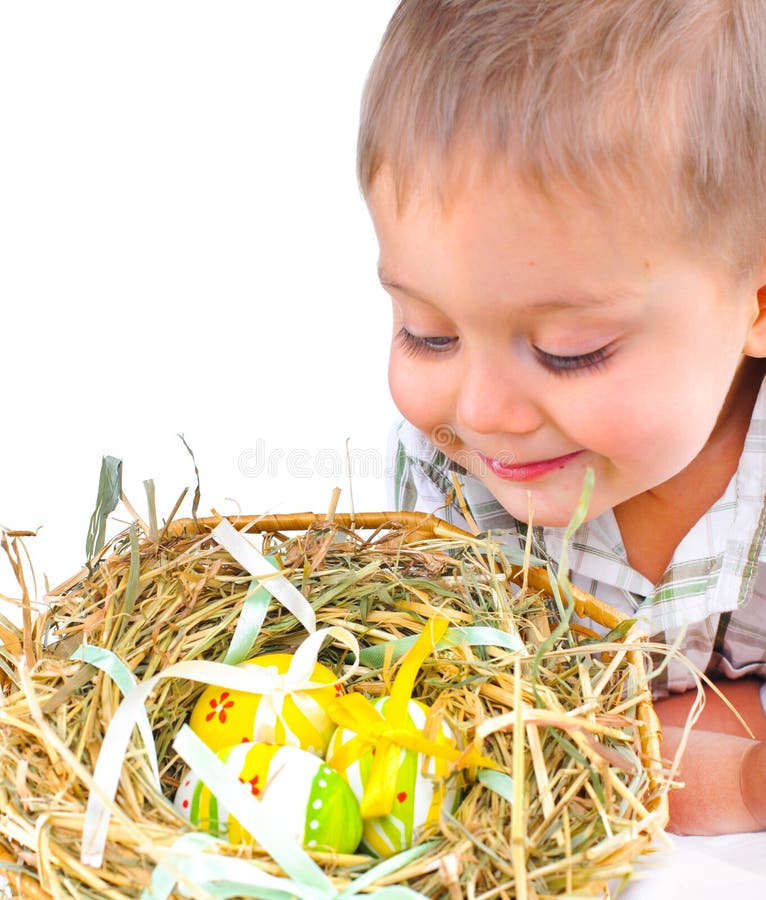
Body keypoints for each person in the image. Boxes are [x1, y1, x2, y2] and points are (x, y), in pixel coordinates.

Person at [358, 0, 766, 835]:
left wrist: (736, 783)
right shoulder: (446, 486)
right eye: (427, 335)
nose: (480, 412)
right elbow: (459, 739)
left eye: (569, 349)